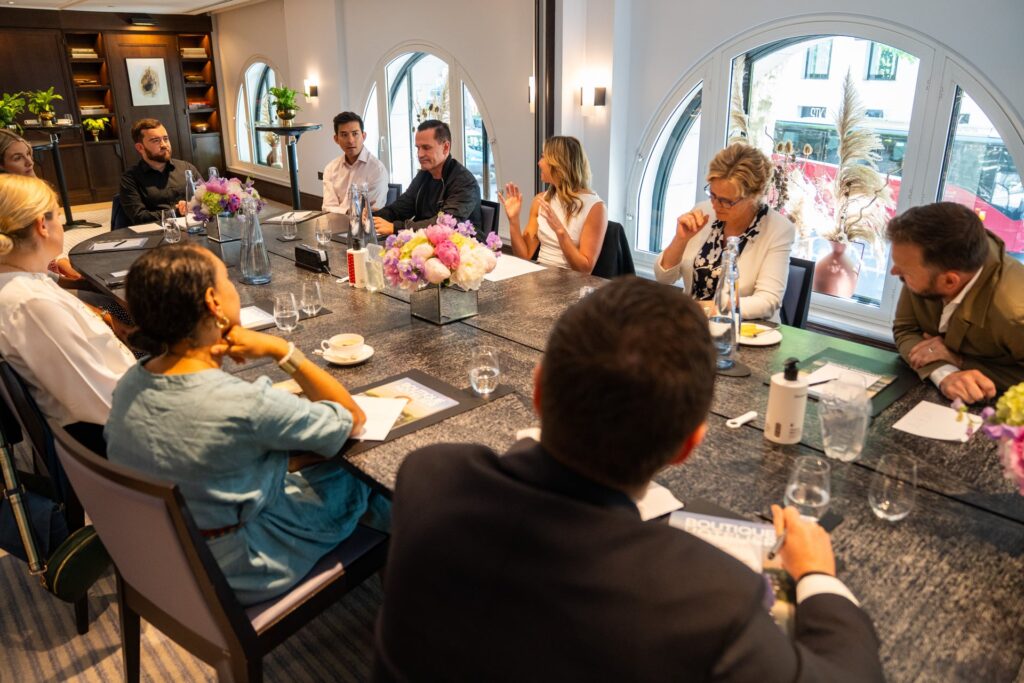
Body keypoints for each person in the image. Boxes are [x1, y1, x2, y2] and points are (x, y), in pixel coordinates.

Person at [374, 277, 883, 682]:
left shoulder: (429, 475)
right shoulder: (710, 600)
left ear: (536, 388)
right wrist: (818, 574)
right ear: (689, 445)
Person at [104, 243, 386, 605]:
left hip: (169, 555)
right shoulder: (241, 403)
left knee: (322, 462)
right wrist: (280, 350)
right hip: (240, 566)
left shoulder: (132, 381)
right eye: (227, 279)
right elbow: (350, 419)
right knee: (366, 470)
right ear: (213, 302)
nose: (233, 285)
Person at [0, 174, 134, 426]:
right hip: (121, 437)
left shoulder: (28, 283)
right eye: (58, 217)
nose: (60, 225)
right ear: (42, 225)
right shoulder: (31, 306)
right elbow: (106, 403)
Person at [888, 202, 1024, 404]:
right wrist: (944, 373)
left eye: (905, 272)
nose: (894, 272)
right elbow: (906, 329)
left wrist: (960, 361)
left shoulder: (1015, 313)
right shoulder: (931, 264)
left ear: (950, 281)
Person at [654, 143, 795, 321]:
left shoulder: (778, 229)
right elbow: (663, 278)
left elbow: (767, 301)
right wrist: (680, 240)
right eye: (712, 194)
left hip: (745, 332)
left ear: (754, 196)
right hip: (693, 327)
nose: (715, 205)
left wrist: (707, 308)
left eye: (726, 201)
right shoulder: (704, 211)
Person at [498, 136, 607, 273]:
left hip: (571, 283)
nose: (539, 163)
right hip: (539, 277)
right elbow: (524, 256)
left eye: (543, 157)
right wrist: (513, 221)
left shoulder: (595, 207)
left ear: (558, 165)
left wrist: (560, 231)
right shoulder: (541, 200)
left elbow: (585, 269)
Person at [373, 119, 482, 238]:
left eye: (426, 148)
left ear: (445, 148)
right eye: (418, 148)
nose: (419, 154)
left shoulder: (464, 182)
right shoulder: (424, 175)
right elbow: (399, 209)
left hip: (460, 249)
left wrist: (396, 227)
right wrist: (371, 217)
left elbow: (445, 224)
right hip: (425, 244)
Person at [0, 129, 83, 282]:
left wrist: (60, 261)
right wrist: (68, 282)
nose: (29, 162)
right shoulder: (7, 207)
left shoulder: (37, 191)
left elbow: (49, 234)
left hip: (46, 274)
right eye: (17, 158)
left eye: (28, 154)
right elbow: (24, 271)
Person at [119, 119, 201, 225]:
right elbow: (139, 217)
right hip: (155, 234)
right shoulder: (130, 178)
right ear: (140, 147)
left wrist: (194, 205)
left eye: (165, 139)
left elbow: (206, 200)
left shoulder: (187, 168)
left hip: (193, 228)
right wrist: (176, 211)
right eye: (155, 140)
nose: (164, 145)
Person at [322, 111, 388, 214]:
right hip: (335, 224)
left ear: (364, 136)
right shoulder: (330, 168)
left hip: (366, 227)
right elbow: (328, 207)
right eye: (344, 135)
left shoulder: (377, 169)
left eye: (355, 134)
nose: (350, 140)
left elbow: (372, 211)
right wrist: (350, 212)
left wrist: (345, 212)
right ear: (336, 139)